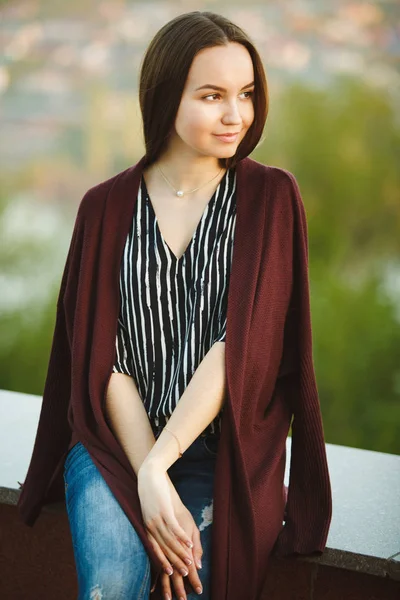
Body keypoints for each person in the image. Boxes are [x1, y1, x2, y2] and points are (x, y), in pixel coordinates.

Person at [17, 10, 332, 600]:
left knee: (189, 586)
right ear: (166, 96)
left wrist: (161, 467)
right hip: (115, 444)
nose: (236, 115)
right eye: (212, 95)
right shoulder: (104, 208)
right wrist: (145, 471)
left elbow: (238, 349)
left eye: (246, 94)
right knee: (110, 586)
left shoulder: (270, 200)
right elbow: (103, 363)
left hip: (223, 451)